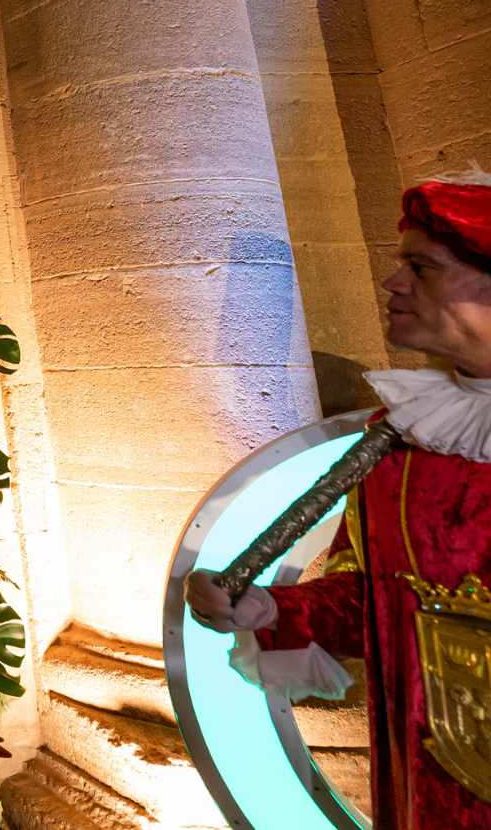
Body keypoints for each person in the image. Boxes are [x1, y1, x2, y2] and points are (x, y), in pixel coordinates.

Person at [186, 168, 491, 828]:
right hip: (431, 788)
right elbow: (371, 601)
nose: (392, 283)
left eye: (423, 267)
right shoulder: (400, 440)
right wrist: (265, 606)